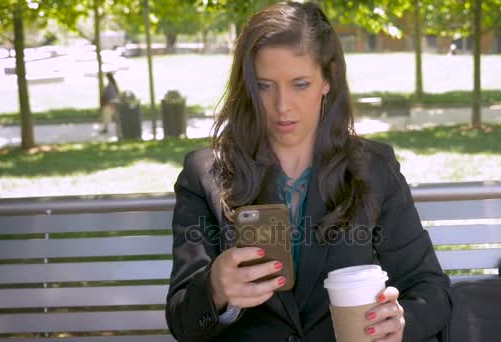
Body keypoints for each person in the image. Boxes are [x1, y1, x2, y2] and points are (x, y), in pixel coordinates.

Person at [166, 2, 451, 341]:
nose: (282, 106)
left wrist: (401, 322)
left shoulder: (374, 169)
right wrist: (214, 288)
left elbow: (431, 288)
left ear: (327, 80)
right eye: (264, 85)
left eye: (300, 84)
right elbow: (182, 320)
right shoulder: (205, 175)